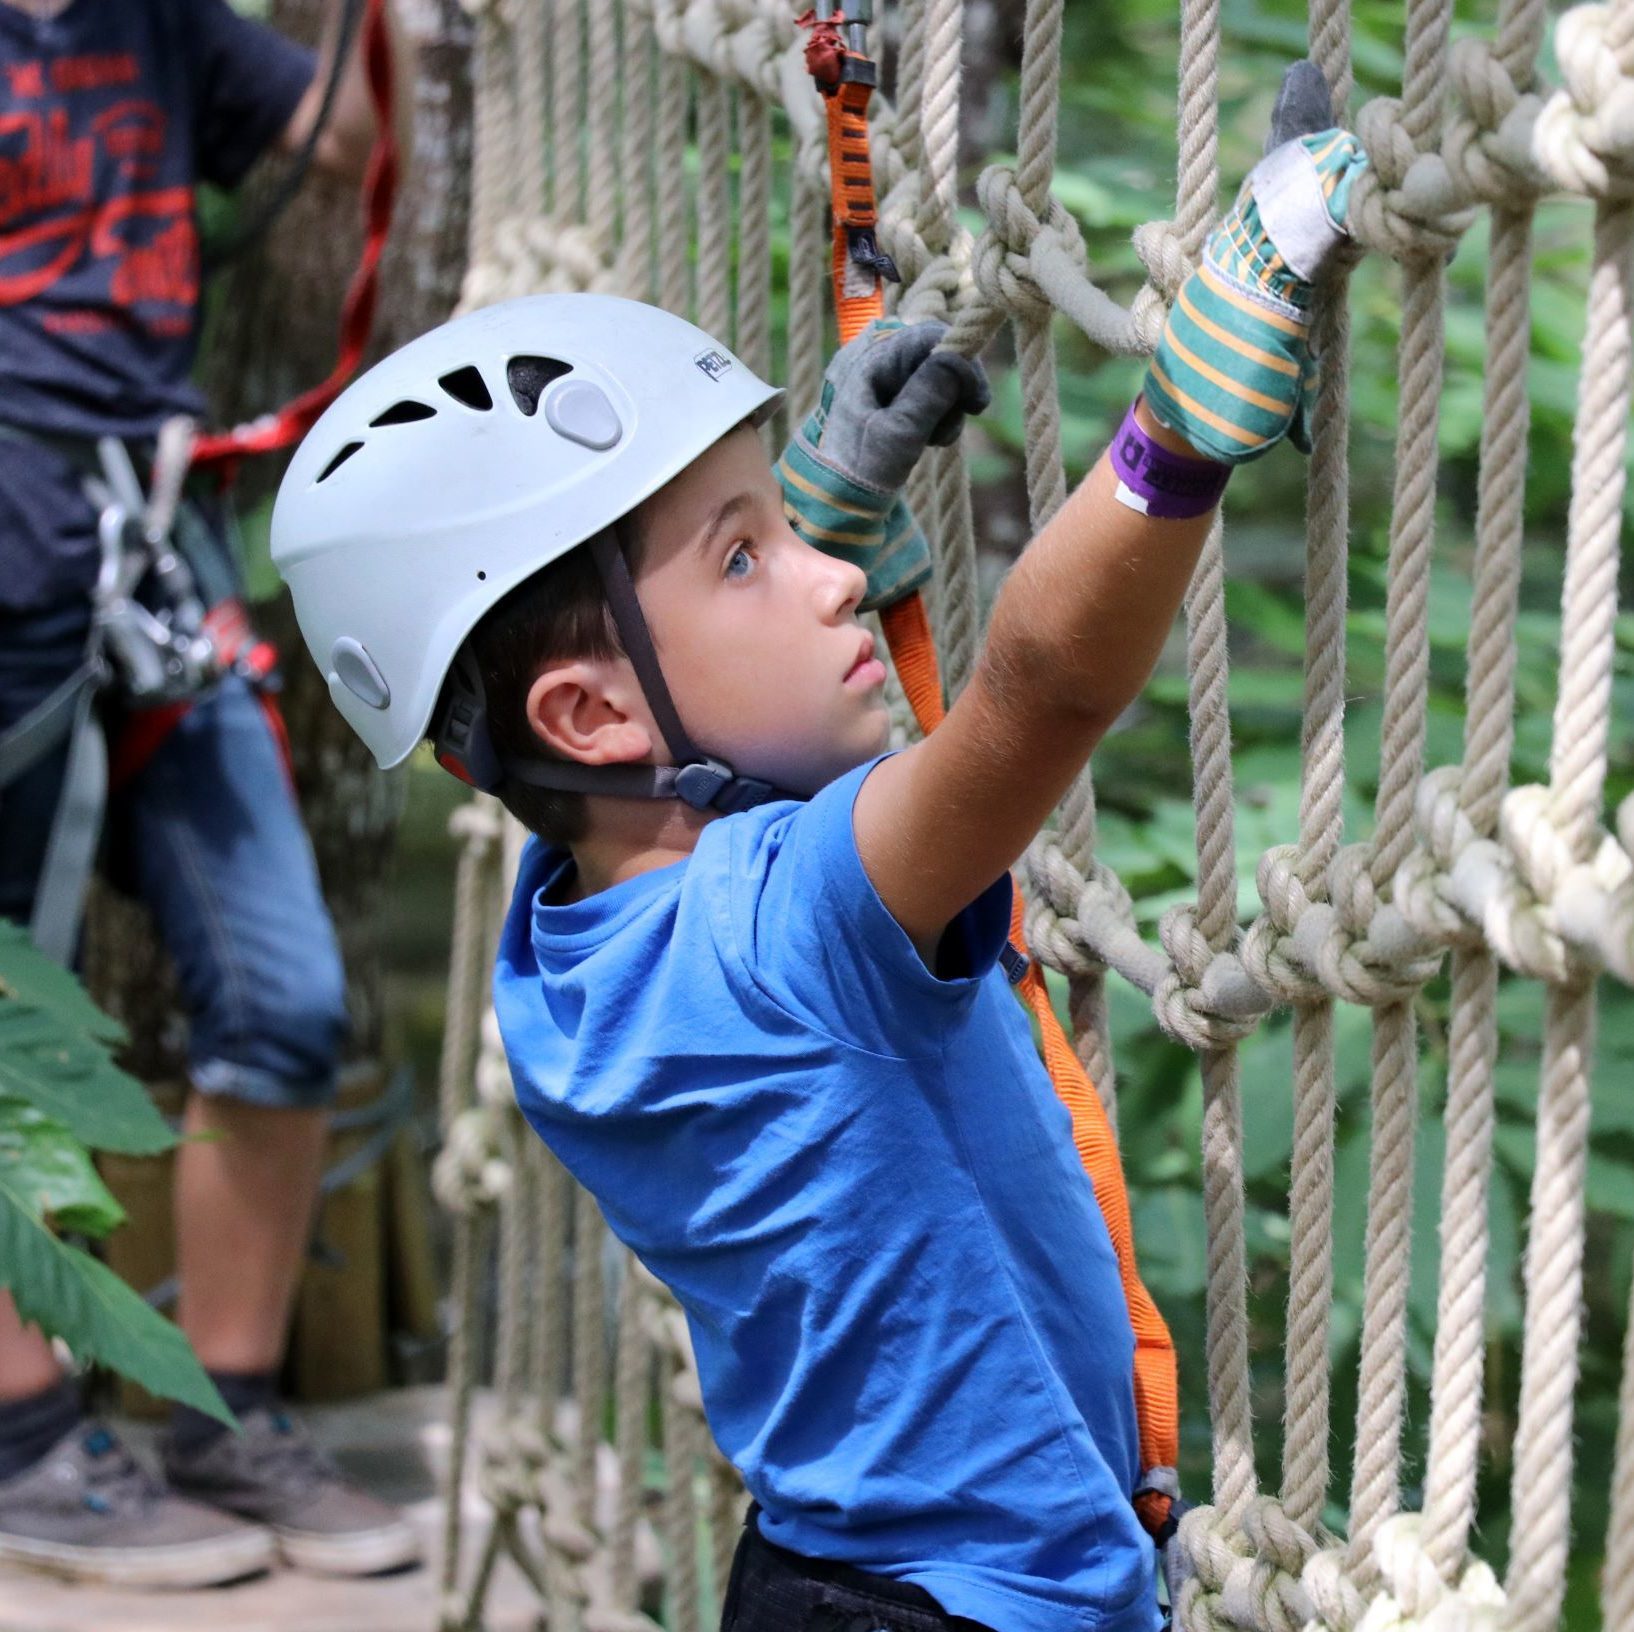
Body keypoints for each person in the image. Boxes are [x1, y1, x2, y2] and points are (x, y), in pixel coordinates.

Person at [272, 65, 1364, 1632]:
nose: (826, 579)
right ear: (586, 717)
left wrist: (819, 509)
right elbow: (1031, 700)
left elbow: (685, 760)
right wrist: (1177, 433)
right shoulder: (785, 932)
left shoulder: (568, 932)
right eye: (745, 555)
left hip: (827, 1579)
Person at [0, 0, 421, 1591]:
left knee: (285, 995)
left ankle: (224, 1411)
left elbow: (334, 140)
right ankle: (25, 1446)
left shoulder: (159, 22)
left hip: (147, 547)